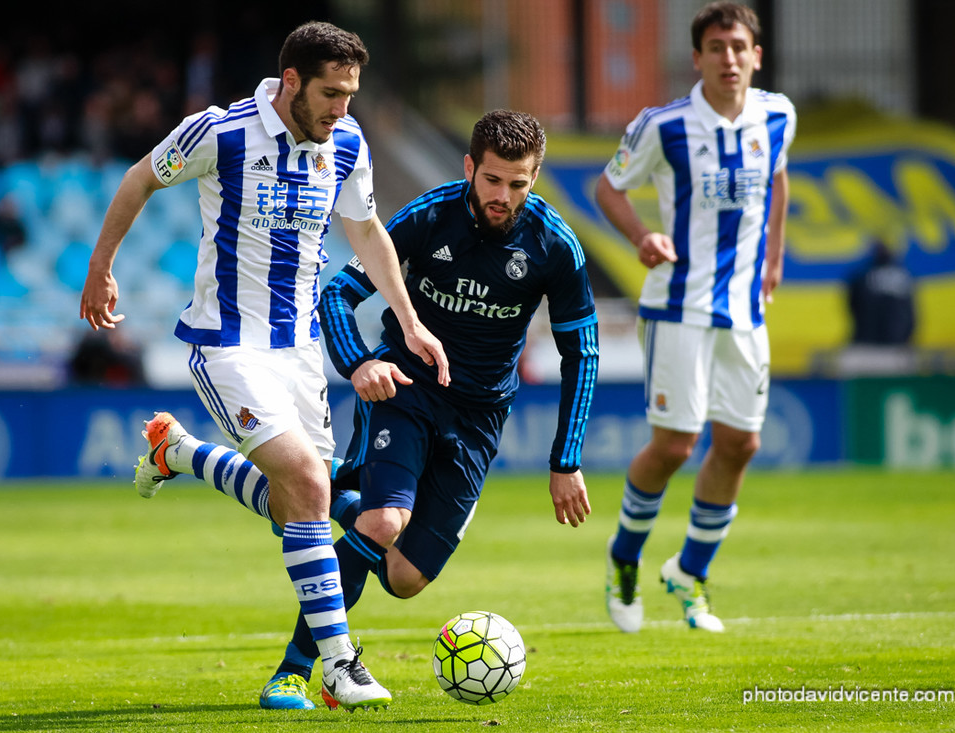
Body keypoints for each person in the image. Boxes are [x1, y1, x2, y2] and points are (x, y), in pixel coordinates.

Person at [79, 21, 449, 711]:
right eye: (331, 94)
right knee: (310, 483)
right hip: (226, 344)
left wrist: (408, 320)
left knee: (293, 507)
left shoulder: (346, 144)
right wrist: (102, 268)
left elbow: (366, 231)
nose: (343, 109)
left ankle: (179, 454)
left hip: (299, 352)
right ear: (290, 84)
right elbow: (139, 178)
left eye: (351, 95)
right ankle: (339, 666)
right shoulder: (219, 133)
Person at [203, 109, 599, 709]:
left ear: (535, 179)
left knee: (403, 577)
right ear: (470, 168)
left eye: (518, 184)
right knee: (383, 523)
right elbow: (339, 291)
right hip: (406, 390)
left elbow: (582, 353)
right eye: (492, 180)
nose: (503, 195)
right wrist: (361, 361)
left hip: (479, 419)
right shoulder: (429, 215)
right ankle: (298, 670)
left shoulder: (554, 247)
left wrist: (565, 459)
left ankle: (219, 464)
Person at [595, 1, 796, 633]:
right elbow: (609, 186)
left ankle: (690, 572)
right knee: (676, 445)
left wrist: (774, 257)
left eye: (739, 47)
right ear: (698, 58)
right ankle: (624, 558)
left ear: (755, 55)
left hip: (744, 310)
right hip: (679, 304)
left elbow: (779, 178)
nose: (729, 58)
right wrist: (640, 237)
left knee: (741, 443)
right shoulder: (666, 126)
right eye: (717, 48)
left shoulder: (778, 115)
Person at [847, 240, 915, 346]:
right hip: (897, 340)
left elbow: (852, 305)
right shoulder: (904, 275)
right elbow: (911, 313)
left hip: (868, 340)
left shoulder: (861, 276)